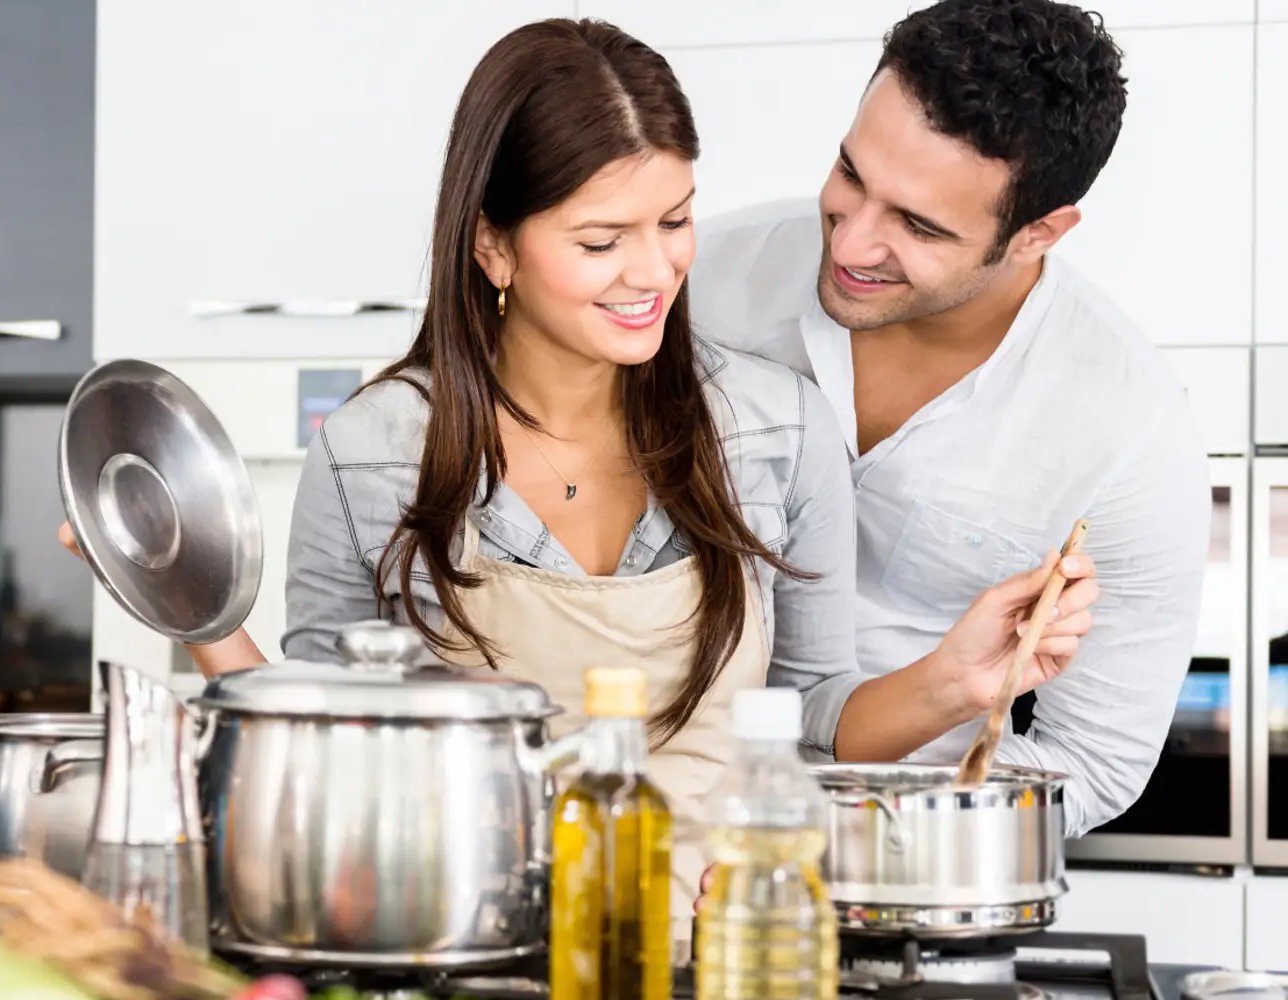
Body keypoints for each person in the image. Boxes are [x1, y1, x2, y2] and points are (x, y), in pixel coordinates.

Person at [60, 17, 1098, 932]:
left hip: (710, 973)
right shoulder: (376, 448)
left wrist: (954, 680)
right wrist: (190, 605)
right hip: (459, 978)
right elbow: (321, 755)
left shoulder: (774, 429)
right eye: (602, 239)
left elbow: (808, 722)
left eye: (675, 219)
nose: (652, 271)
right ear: (494, 248)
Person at [687, 0, 1208, 838]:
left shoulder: (1128, 429)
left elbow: (1097, 760)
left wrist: (884, 831)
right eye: (851, 175)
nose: (852, 244)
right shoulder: (698, 285)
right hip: (663, 823)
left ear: (1039, 232)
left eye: (918, 225)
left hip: (923, 880)